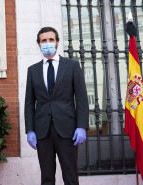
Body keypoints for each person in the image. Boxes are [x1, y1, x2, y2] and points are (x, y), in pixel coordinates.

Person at [24, 27, 89, 185]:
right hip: (42, 130)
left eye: (51, 40)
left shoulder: (72, 66)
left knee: (70, 175)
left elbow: (81, 98)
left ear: (57, 42)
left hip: (67, 129)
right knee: (46, 177)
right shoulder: (33, 70)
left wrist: (82, 126)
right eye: (43, 41)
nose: (47, 43)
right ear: (39, 44)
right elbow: (29, 102)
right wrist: (30, 130)